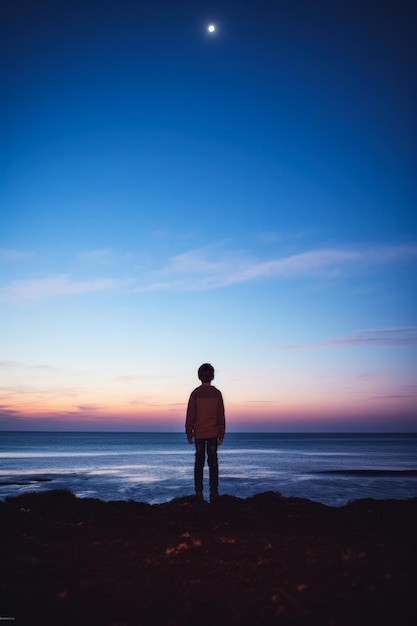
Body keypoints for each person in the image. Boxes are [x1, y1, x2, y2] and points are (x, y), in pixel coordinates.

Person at [185, 363, 225, 502]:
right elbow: (221, 415)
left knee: (199, 463)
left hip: (200, 434)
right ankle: (213, 492)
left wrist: (189, 432)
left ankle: (199, 492)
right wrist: (221, 433)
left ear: (199, 376)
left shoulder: (195, 393)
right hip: (213, 433)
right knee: (213, 463)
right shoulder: (217, 393)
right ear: (212, 376)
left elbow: (190, 414)